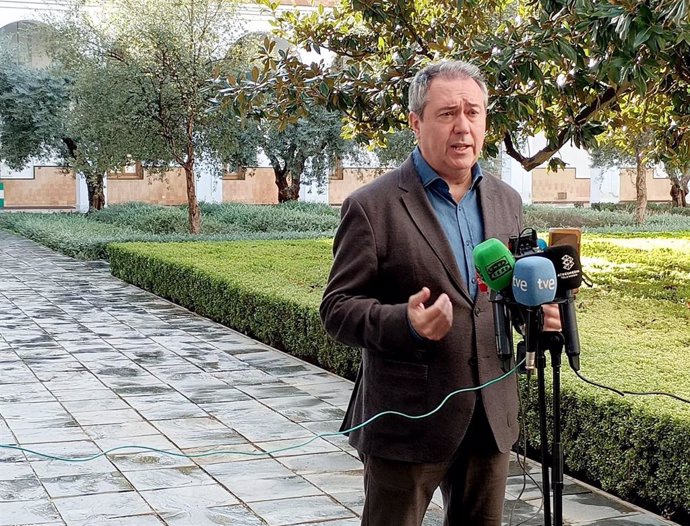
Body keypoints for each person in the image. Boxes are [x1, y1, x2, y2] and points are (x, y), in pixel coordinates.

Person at [320, 60, 560, 526]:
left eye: (474, 112)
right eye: (448, 113)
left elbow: (504, 294)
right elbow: (337, 309)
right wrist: (406, 323)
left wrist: (538, 314)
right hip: (407, 420)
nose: (463, 127)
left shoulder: (506, 201)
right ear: (416, 122)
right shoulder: (372, 206)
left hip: (490, 417)